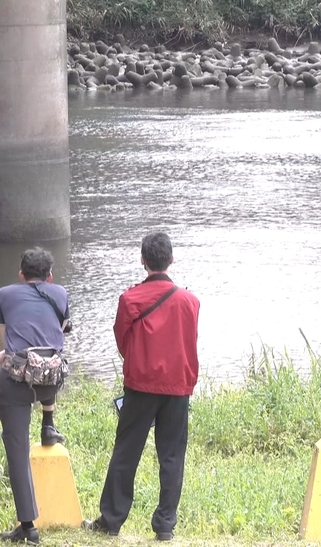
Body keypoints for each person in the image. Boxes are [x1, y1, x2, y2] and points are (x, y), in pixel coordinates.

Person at [84, 232, 201, 541]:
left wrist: (138, 359)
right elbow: (189, 341)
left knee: (126, 452)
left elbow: (122, 340)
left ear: (143, 261)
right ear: (171, 260)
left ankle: (111, 520)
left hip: (141, 385)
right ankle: (165, 525)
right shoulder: (191, 301)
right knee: (172, 456)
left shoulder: (130, 299)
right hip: (178, 388)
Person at [0, 248, 70, 544]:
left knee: (17, 450)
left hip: (16, 380)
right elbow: (61, 331)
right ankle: (48, 423)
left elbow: (3, 335)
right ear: (50, 276)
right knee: (50, 360)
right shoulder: (61, 293)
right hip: (50, 381)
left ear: (20, 274)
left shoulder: (5, 294)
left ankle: (28, 527)